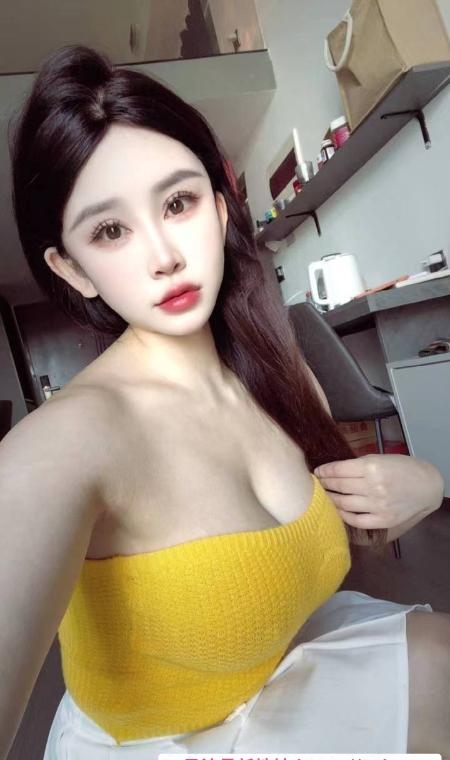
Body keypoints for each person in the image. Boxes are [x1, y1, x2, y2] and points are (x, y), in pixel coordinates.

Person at [1, 44, 448, 759]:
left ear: (217, 209)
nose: (163, 256)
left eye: (177, 203)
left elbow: (307, 542)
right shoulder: (66, 442)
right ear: (72, 268)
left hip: (277, 687)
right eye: (111, 230)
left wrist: (424, 482)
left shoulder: (278, 370)